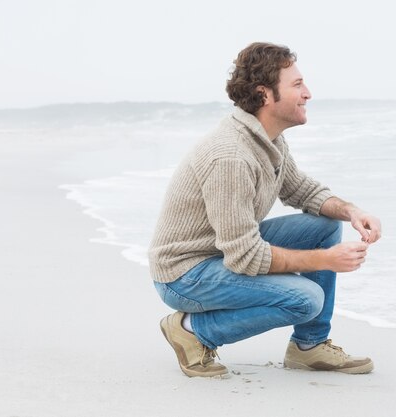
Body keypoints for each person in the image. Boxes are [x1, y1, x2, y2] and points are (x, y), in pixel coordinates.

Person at [149, 42, 382, 378]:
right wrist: (325, 261)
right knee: (306, 299)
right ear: (265, 95)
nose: (308, 94)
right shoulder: (230, 157)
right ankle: (192, 330)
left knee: (326, 225)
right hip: (185, 274)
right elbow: (244, 256)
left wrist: (352, 211)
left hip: (221, 252)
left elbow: (300, 189)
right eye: (297, 85)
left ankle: (309, 346)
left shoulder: (267, 138)